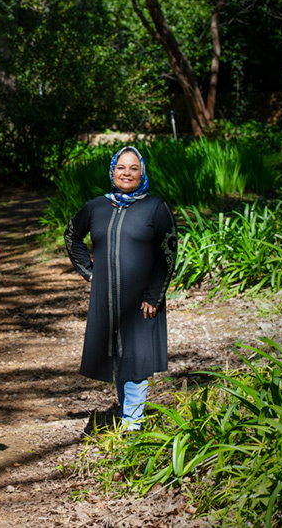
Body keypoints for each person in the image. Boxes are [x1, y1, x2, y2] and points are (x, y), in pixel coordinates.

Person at [64, 146, 177, 431]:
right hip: (107, 297)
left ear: (142, 173)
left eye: (133, 168)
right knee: (116, 355)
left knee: (137, 357)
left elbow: (168, 253)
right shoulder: (97, 206)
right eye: (121, 167)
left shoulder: (155, 207)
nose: (127, 173)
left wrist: (154, 294)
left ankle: (133, 422)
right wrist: (89, 272)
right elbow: (72, 235)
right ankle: (128, 414)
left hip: (141, 299)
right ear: (112, 171)